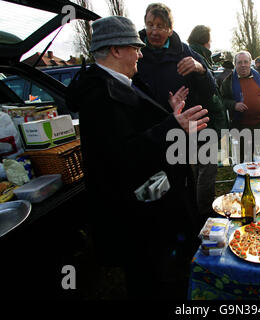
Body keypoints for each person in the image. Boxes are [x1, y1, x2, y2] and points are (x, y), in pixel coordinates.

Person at [65, 16, 209, 299]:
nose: (141, 54)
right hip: (135, 218)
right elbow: (120, 155)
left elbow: (138, 124)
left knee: (162, 272)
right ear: (116, 50)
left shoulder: (120, 82)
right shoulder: (99, 94)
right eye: (136, 47)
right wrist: (172, 126)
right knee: (149, 281)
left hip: (151, 208)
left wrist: (170, 114)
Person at [136, 3, 217, 234]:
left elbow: (211, 89)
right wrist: (167, 109)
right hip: (153, 132)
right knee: (157, 186)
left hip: (185, 130)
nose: (154, 31)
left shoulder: (183, 51)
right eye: (150, 25)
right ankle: (162, 235)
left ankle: (191, 230)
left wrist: (200, 68)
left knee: (184, 183)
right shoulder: (137, 52)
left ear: (170, 29)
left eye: (161, 26)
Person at [187, 24, 229, 222]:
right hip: (205, 123)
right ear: (206, 41)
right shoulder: (199, 58)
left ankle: (196, 207)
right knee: (207, 170)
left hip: (194, 124)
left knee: (196, 168)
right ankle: (204, 211)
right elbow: (210, 96)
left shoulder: (187, 54)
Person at [220, 51, 260, 162]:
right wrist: (234, 105)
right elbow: (221, 100)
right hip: (241, 127)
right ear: (235, 64)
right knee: (244, 161)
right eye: (240, 62)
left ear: (251, 63)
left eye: (246, 62)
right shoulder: (228, 81)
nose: (243, 65)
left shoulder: (259, 77)